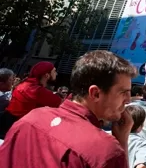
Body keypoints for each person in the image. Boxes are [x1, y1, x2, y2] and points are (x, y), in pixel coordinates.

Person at [0, 50, 136, 167]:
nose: (128, 100)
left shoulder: (30, 118)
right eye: (123, 92)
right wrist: (121, 142)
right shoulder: (106, 151)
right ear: (95, 93)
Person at [0, 61, 62, 137]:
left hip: (8, 123)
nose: (56, 73)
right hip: (16, 130)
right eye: (54, 71)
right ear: (47, 75)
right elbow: (60, 103)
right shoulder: (36, 90)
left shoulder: (24, 84)